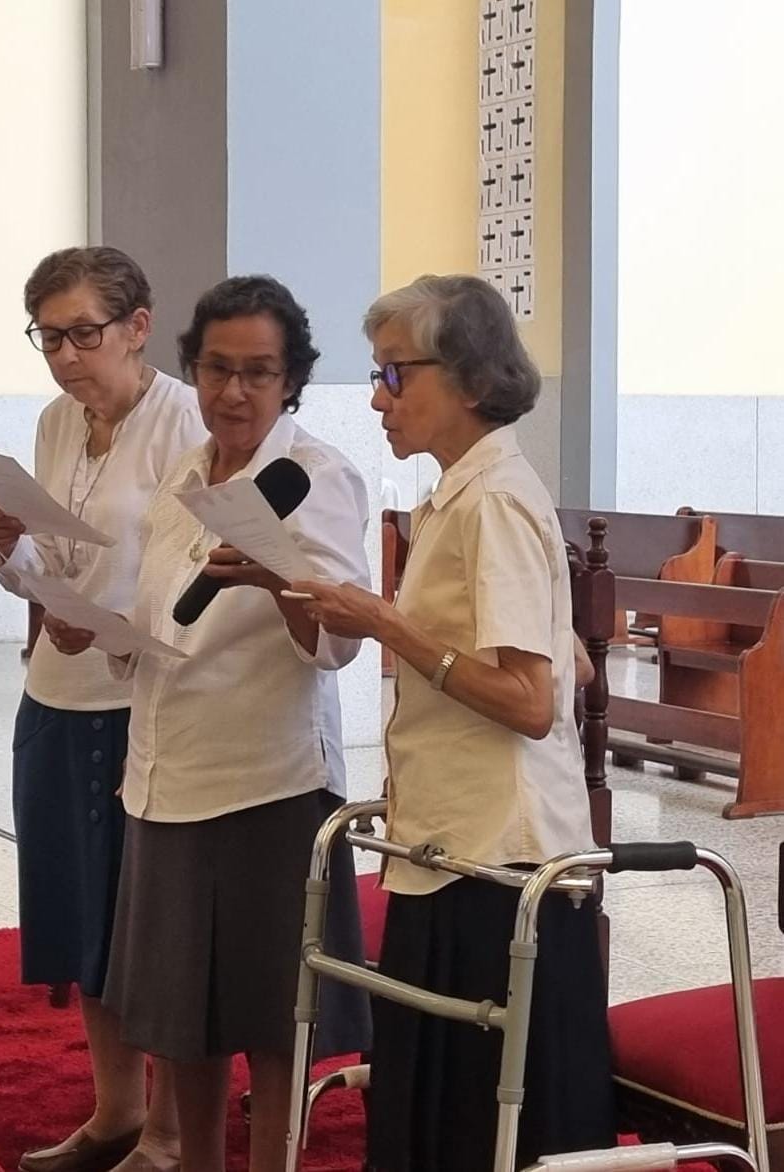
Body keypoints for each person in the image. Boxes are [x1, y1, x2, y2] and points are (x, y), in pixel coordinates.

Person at [294, 274, 616, 1172]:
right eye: (377, 373)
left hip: (497, 857)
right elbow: (566, 660)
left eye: (395, 374)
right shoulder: (462, 494)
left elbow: (529, 702)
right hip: (450, 843)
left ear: (469, 379)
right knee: (437, 1104)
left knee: (486, 1119)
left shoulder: (494, 502)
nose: (377, 397)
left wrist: (386, 622)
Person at [57, 275, 372, 1172]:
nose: (234, 392)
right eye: (216, 369)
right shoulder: (185, 477)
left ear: (291, 380)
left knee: (271, 1017)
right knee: (178, 1015)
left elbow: (340, 642)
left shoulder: (317, 478)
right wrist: (102, 633)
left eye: (258, 373)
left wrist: (278, 579)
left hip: (265, 782)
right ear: (192, 370)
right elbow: (161, 615)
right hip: (165, 776)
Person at [0, 246, 207, 1172]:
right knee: (83, 923)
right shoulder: (56, 422)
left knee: (150, 929)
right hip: (57, 694)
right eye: (48, 338)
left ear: (138, 327)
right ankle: (114, 1113)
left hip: (144, 703)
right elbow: (56, 565)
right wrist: (7, 549)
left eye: (83, 334)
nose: (66, 357)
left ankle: (171, 1131)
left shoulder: (185, 423)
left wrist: (111, 629)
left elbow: (199, 579)